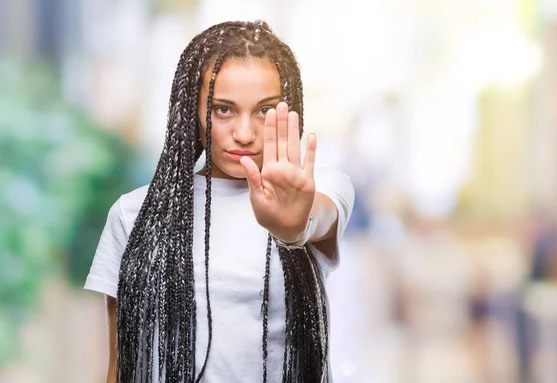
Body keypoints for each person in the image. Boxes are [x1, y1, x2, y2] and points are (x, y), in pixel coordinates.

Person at [83, 20, 355, 383]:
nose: (244, 134)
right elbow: (121, 366)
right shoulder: (134, 215)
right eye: (223, 109)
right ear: (192, 110)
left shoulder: (318, 189)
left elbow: (319, 217)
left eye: (264, 110)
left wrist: (296, 226)